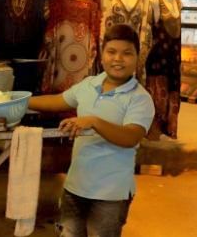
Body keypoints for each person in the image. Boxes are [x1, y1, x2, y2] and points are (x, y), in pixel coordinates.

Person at [28, 24, 155, 237]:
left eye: (127, 53)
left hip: (110, 195)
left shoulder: (140, 98)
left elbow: (131, 136)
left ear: (137, 57)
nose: (118, 59)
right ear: (102, 54)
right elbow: (57, 101)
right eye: (112, 52)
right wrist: (18, 101)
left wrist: (94, 121)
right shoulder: (88, 84)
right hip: (75, 186)